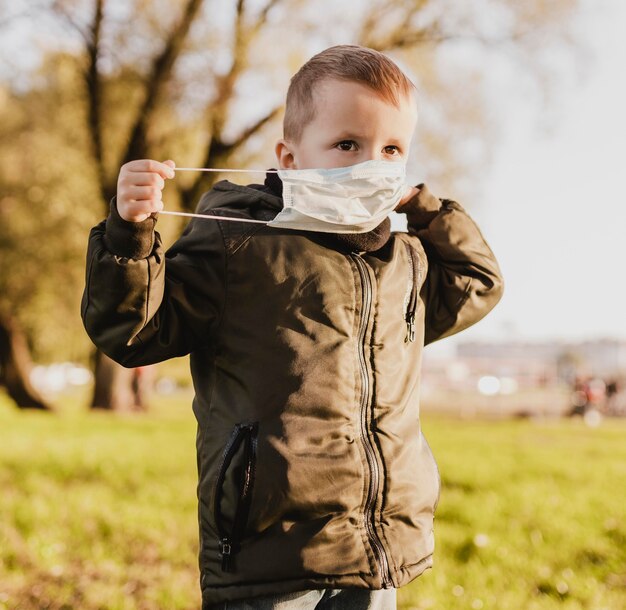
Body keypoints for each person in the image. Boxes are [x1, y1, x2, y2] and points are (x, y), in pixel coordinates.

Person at [81, 45, 503, 609]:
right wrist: (129, 237)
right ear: (291, 156)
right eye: (348, 144)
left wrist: (423, 206)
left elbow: (478, 282)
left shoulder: (403, 261)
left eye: (392, 148)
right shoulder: (237, 244)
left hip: (376, 551)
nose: (370, 163)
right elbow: (133, 331)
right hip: (268, 552)